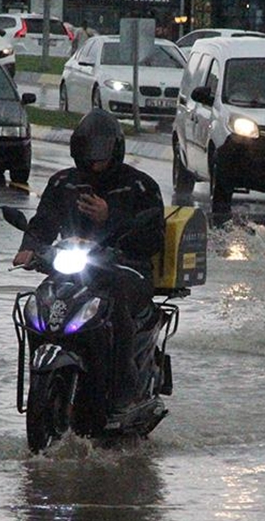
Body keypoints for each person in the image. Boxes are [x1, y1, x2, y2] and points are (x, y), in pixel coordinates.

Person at [13, 109, 165, 414]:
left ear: (116, 149)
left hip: (127, 270)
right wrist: (29, 247)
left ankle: (125, 389)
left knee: (116, 305)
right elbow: (44, 222)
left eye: (101, 152)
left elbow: (152, 238)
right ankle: (40, 379)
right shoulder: (62, 184)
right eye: (87, 151)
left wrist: (110, 217)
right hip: (75, 268)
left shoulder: (139, 187)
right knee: (38, 303)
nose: (94, 160)